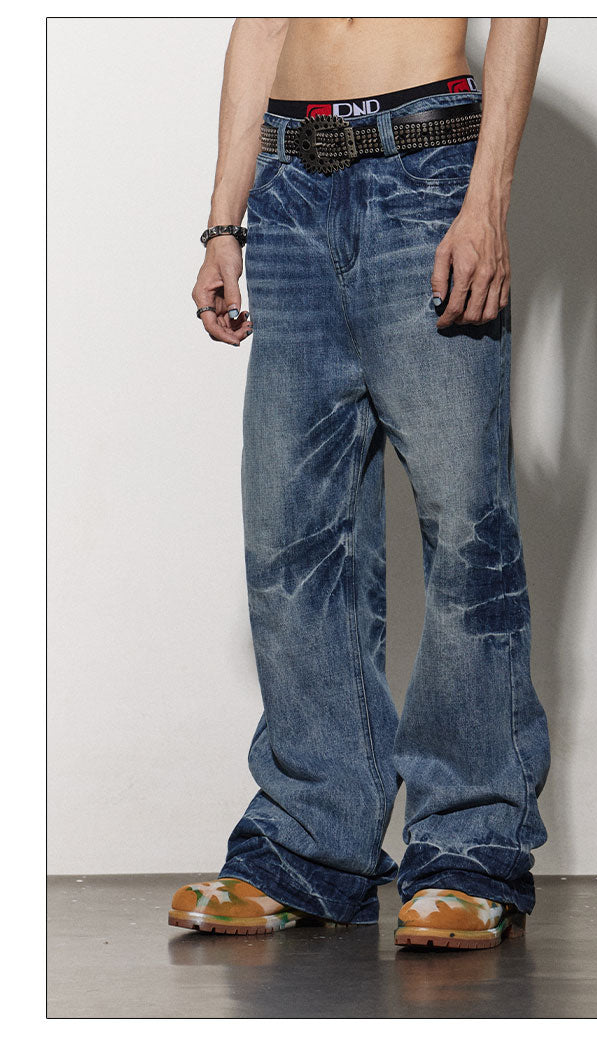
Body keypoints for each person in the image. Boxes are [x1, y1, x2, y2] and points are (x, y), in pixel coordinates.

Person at [170, 16, 551, 951]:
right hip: (289, 186)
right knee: (291, 540)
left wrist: (486, 200)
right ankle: (308, 847)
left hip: (428, 169)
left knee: (465, 531)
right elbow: (263, 21)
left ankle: (470, 850)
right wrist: (225, 222)